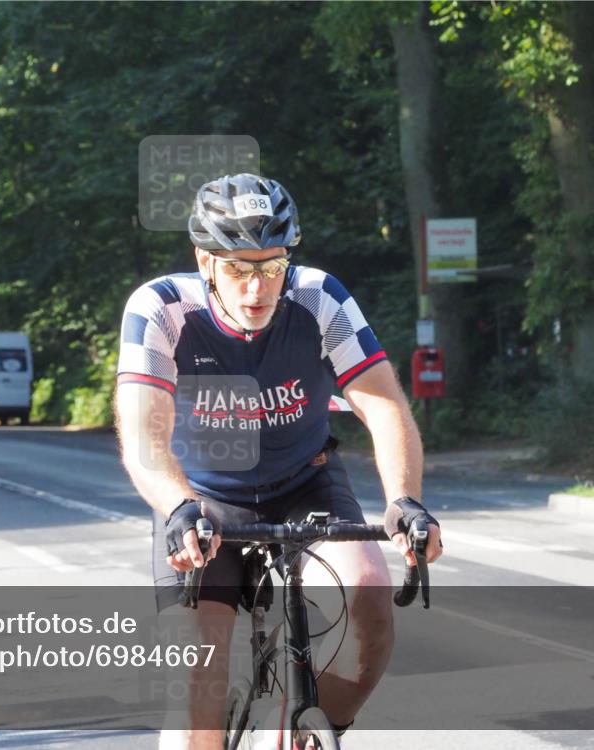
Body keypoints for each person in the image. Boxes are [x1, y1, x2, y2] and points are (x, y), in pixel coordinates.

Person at [115, 173, 443, 750]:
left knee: (368, 595)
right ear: (204, 260)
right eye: (239, 268)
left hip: (305, 482)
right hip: (201, 501)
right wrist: (177, 506)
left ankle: (297, 736)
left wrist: (404, 499)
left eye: (272, 266)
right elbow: (144, 433)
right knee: (196, 696)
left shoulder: (318, 296)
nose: (257, 289)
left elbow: (386, 405)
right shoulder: (161, 307)